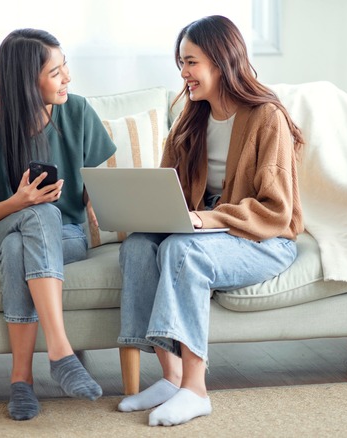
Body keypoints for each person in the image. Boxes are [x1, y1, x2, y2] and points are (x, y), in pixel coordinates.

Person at [116, 15, 305, 427]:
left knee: (184, 250)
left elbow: (278, 209)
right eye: (181, 63)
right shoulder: (190, 118)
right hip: (206, 227)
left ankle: (196, 391)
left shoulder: (266, 117)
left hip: (263, 238)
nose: (183, 73)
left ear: (220, 62)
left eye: (191, 62)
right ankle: (171, 377)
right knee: (137, 246)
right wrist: (153, 212)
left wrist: (204, 219)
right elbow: (169, 190)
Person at [0, 28, 116, 421]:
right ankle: (60, 351)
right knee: (35, 215)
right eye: (56, 72)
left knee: (22, 243)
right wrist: (19, 202)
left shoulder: (77, 112)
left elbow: (98, 194)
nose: (68, 78)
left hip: (67, 237)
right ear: (28, 80)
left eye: (65, 68)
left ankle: (21, 382)